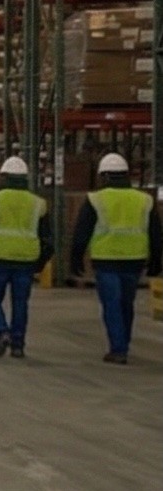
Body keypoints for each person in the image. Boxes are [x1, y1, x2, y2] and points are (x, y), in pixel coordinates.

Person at [70, 152, 161, 365]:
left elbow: (82, 231)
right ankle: (123, 344)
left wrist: (76, 258)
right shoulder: (144, 200)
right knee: (126, 304)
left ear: (103, 176)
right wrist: (157, 259)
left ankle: (118, 349)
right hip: (134, 260)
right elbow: (156, 233)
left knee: (111, 304)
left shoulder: (96, 199)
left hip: (106, 260)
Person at [0, 156, 53, 359]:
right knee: (20, 302)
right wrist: (41, 262)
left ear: (3, 177)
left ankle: (1, 330)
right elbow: (48, 238)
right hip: (26, 260)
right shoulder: (38, 204)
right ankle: (18, 345)